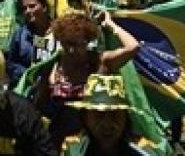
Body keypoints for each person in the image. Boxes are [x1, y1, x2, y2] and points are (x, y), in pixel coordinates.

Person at [19, 12, 140, 148]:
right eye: (67, 43)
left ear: (87, 41)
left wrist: (110, 25)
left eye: (77, 44)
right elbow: (39, 105)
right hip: (59, 139)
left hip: (93, 140)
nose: (71, 50)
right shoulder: (52, 66)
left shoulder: (101, 62)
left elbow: (133, 47)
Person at [61, 74, 163, 156]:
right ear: (85, 117)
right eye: (99, 114)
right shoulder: (73, 149)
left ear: (126, 118)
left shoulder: (146, 151)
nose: (107, 124)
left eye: (115, 114)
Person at [7, 0, 59, 86]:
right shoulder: (20, 35)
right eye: (24, 8)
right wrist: (28, 74)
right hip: (30, 87)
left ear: (44, 7)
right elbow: (12, 64)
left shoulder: (60, 32)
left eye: (32, 6)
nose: (27, 11)